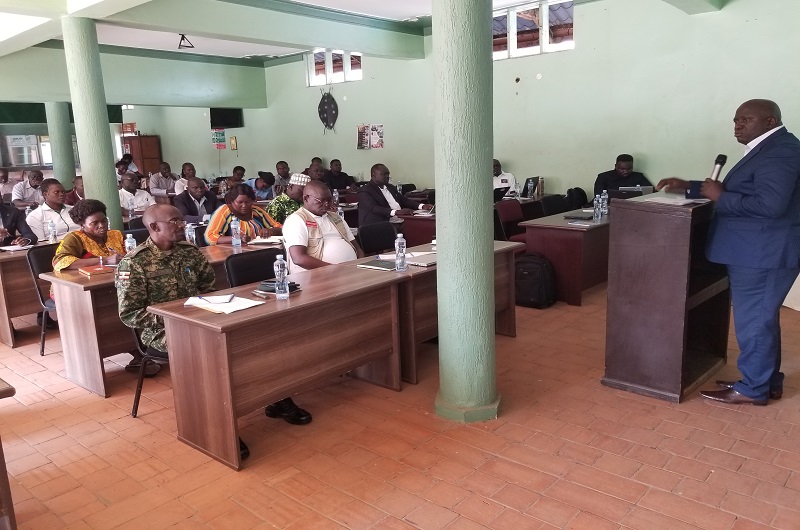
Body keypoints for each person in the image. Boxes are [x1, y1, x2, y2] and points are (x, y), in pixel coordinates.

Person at [118, 205, 313, 439]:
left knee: (252, 338)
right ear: (154, 227)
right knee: (211, 353)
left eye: (181, 220)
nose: (182, 225)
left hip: (203, 319)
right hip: (162, 330)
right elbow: (130, 313)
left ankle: (276, 399)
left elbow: (208, 290)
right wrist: (177, 320)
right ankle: (217, 426)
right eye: (175, 221)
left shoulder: (189, 251)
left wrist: (219, 307)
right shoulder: (134, 263)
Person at [657, 99, 800, 406]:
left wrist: (720, 196)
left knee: (755, 320)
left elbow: (769, 206)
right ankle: (766, 380)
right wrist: (689, 186)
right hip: (757, 251)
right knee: (761, 318)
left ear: (770, 121)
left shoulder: (781, 151)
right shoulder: (771, 148)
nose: (737, 125)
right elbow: (743, 191)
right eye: (735, 120)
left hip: (762, 253)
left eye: (745, 120)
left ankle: (753, 389)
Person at [283, 180, 364, 272]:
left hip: (350, 271)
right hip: (318, 275)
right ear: (306, 198)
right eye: (321, 200)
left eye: (329, 200)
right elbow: (299, 258)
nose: (326, 204)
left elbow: (357, 248)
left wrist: (360, 265)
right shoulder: (296, 220)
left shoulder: (335, 217)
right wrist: (335, 270)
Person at [204, 183, 282, 245]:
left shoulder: (257, 211)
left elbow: (280, 228)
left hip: (256, 251)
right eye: (240, 202)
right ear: (232, 201)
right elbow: (210, 237)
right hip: (232, 253)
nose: (244, 206)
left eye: (248, 202)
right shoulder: (224, 211)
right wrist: (237, 238)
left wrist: (270, 231)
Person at [358, 163, 432, 226]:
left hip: (400, 220)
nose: (387, 176)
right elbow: (374, 208)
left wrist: (422, 206)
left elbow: (404, 200)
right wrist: (396, 212)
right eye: (384, 174)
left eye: (388, 174)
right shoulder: (365, 190)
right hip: (380, 225)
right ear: (374, 175)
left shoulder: (390, 187)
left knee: (424, 224)